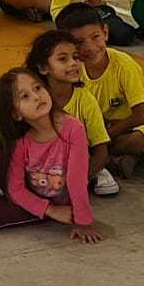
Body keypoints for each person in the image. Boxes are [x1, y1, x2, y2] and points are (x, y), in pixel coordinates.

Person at [0, 67, 100, 242]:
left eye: (38, 88)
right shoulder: (21, 141)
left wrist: (83, 221)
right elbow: (16, 188)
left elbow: (76, 179)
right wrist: (50, 210)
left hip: (51, 197)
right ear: (15, 114)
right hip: (33, 194)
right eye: (24, 96)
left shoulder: (73, 129)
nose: (36, 97)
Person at [58, 4, 144, 176]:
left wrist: (103, 137)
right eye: (79, 43)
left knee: (139, 140)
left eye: (95, 37)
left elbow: (142, 116)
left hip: (130, 129)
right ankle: (115, 160)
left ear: (105, 33)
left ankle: (107, 157)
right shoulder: (73, 71)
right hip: (97, 130)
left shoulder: (124, 65)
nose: (90, 47)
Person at [25, 29, 116, 196]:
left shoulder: (85, 99)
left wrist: (79, 179)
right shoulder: (32, 98)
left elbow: (101, 151)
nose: (74, 63)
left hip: (75, 161)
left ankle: (96, 173)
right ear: (43, 68)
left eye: (75, 57)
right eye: (63, 59)